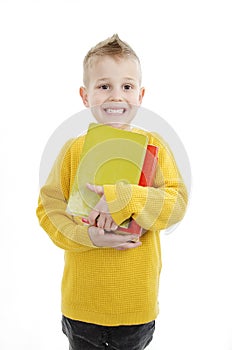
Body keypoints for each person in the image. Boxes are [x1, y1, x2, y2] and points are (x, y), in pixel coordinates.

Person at [36, 34, 188, 350]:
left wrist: (124, 198)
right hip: (81, 306)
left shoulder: (154, 146)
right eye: (104, 86)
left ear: (141, 94)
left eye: (127, 87)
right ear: (85, 95)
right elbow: (49, 209)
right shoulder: (73, 149)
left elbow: (176, 204)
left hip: (136, 307)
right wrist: (87, 237)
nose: (116, 96)